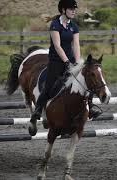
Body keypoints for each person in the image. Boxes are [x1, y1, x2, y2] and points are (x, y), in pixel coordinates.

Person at [28, 0, 102, 136]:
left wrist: (78, 62)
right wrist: (66, 61)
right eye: (71, 9)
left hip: (71, 61)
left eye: (74, 9)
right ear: (63, 10)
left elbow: (76, 45)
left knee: (85, 81)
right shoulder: (55, 25)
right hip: (56, 62)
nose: (74, 11)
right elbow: (57, 46)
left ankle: (90, 108)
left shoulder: (74, 26)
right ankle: (36, 113)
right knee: (49, 87)